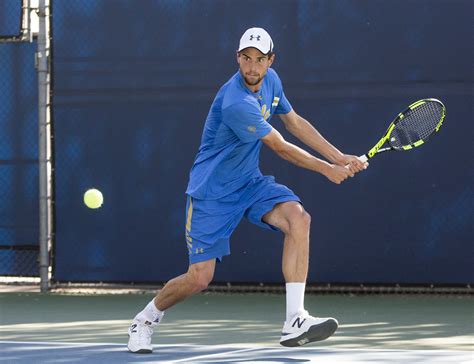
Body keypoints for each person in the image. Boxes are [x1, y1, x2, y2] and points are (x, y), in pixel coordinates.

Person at [127, 27, 367, 353]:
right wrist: (327, 170)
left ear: (271, 60)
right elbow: (280, 147)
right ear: (237, 58)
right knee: (199, 278)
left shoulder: (272, 81)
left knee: (299, 218)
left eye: (259, 60)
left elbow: (293, 122)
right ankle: (145, 319)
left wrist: (339, 156)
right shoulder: (235, 102)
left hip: (249, 183)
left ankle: (295, 319)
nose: (252, 67)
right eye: (246, 59)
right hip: (211, 192)